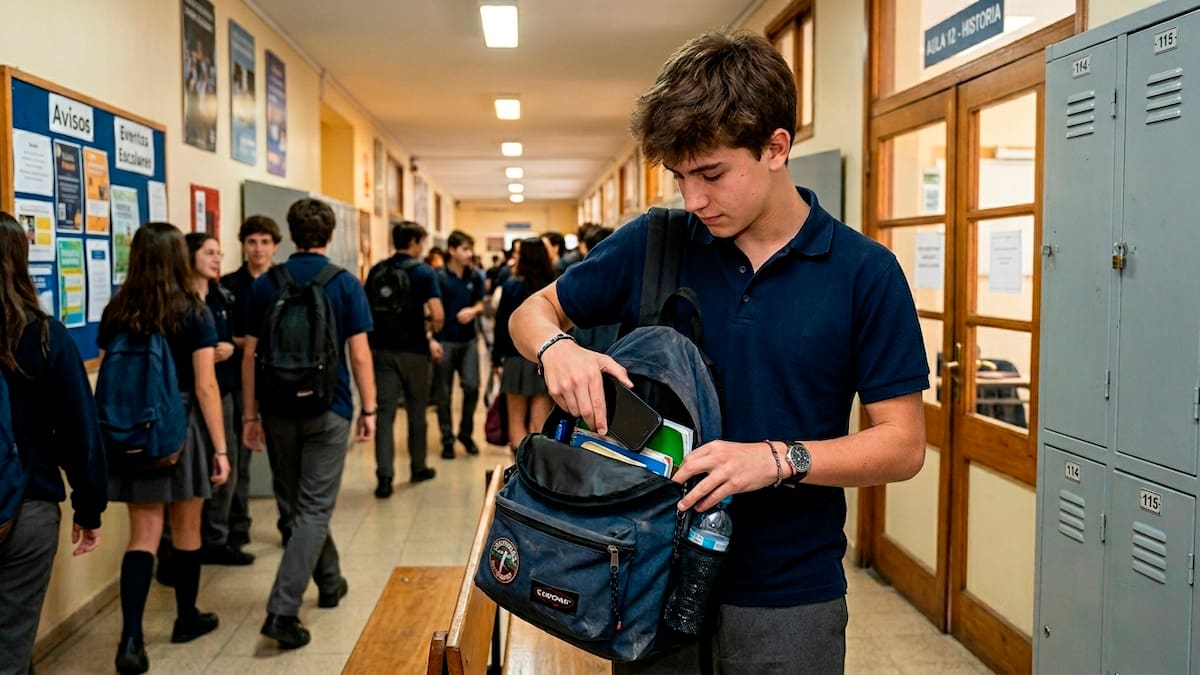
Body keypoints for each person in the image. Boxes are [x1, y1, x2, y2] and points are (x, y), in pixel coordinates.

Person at [509, 31, 928, 673]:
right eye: (680, 178)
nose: (694, 200)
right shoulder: (656, 242)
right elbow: (530, 312)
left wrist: (779, 460)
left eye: (711, 175)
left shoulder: (863, 274)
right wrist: (557, 349)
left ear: (776, 148)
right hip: (648, 573)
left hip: (789, 600)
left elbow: (902, 445)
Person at [241, 198, 376, 649]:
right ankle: (282, 610)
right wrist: (369, 410)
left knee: (300, 508)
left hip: (278, 410)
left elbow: (249, 357)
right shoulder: (344, 283)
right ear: (331, 234)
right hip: (328, 410)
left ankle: (331, 579)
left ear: (291, 234)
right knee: (314, 509)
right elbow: (359, 354)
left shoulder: (266, 283)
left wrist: (250, 414)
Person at [100, 222, 230, 674]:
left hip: (134, 430)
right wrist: (220, 449)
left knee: (143, 536)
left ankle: (131, 639)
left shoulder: (116, 311)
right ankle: (186, 617)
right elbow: (206, 386)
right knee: (187, 528)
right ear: (178, 258)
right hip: (183, 426)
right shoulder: (193, 313)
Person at [0, 212, 107, 675]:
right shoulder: (45, 337)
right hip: (29, 506)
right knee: (12, 639)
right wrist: (89, 507)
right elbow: (79, 430)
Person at [184, 232, 253, 566]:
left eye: (219, 253)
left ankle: (216, 538)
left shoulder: (222, 296)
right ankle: (177, 549)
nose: (216, 259)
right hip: (187, 396)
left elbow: (240, 339)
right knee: (186, 473)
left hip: (222, 392)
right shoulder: (179, 301)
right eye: (209, 252)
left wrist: (229, 347)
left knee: (228, 468)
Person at [365, 222, 443, 495]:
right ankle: (418, 467)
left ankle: (384, 477)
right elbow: (438, 313)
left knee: (385, 414)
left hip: (382, 352)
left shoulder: (377, 270)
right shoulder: (424, 273)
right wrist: (432, 331)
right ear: (414, 242)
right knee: (416, 411)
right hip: (415, 352)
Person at [221, 215, 281, 550]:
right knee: (239, 460)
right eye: (252, 242)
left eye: (265, 242)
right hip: (237, 381)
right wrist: (249, 343)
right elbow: (223, 337)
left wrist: (247, 342)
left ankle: (289, 523)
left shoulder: (282, 283)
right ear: (243, 245)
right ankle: (238, 526)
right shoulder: (229, 286)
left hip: (277, 380)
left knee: (282, 460)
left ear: (275, 246)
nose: (258, 249)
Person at [492, 237, 558, 449]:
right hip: (545, 356)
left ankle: (519, 471)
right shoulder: (554, 285)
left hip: (514, 357)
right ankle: (537, 470)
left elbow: (502, 325)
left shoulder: (512, 286)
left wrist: (496, 358)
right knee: (541, 422)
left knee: (516, 421)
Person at [434, 230, 485, 459]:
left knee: (472, 387)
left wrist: (473, 311)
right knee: (443, 393)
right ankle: (447, 438)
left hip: (468, 341)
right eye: (464, 249)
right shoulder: (439, 277)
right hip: (445, 340)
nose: (469, 254)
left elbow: (481, 303)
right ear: (452, 250)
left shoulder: (474, 277)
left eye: (470, 249)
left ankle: (466, 433)